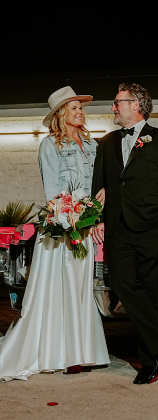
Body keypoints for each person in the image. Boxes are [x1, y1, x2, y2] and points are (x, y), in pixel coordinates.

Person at [0, 86, 110, 382]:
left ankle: (82, 351)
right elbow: (53, 193)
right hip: (61, 229)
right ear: (62, 114)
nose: (80, 112)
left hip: (84, 227)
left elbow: (99, 184)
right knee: (61, 287)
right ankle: (63, 354)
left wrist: (96, 213)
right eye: (74, 108)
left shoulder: (93, 145)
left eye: (81, 108)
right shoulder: (50, 145)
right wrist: (68, 221)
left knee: (80, 287)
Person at [91, 83, 158, 385]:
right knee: (119, 283)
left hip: (155, 229)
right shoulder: (105, 143)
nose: (113, 108)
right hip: (119, 229)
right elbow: (100, 185)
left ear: (137, 105)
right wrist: (98, 217)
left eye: (118, 102)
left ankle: (151, 361)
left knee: (155, 293)